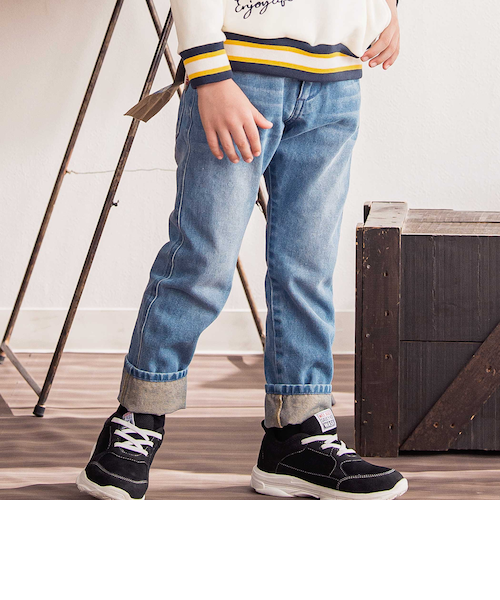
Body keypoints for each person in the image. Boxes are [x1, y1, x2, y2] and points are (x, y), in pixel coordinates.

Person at [76, 0, 408, 500]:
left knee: (308, 269)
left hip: (336, 78)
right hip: (240, 72)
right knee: (202, 262)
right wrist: (208, 72)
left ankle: (297, 434)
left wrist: (387, 8)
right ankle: (137, 417)